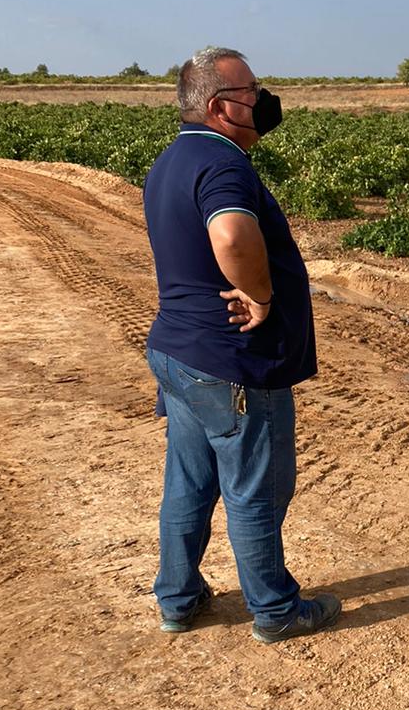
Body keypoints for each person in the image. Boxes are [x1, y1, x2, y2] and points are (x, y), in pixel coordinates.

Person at [142, 47, 340, 642]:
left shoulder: (173, 159)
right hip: (232, 362)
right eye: (253, 91)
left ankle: (178, 598)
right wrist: (261, 294)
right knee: (257, 485)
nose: (265, 101)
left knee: (189, 480)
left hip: (179, 352)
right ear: (220, 106)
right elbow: (230, 233)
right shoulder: (224, 166)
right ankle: (276, 608)